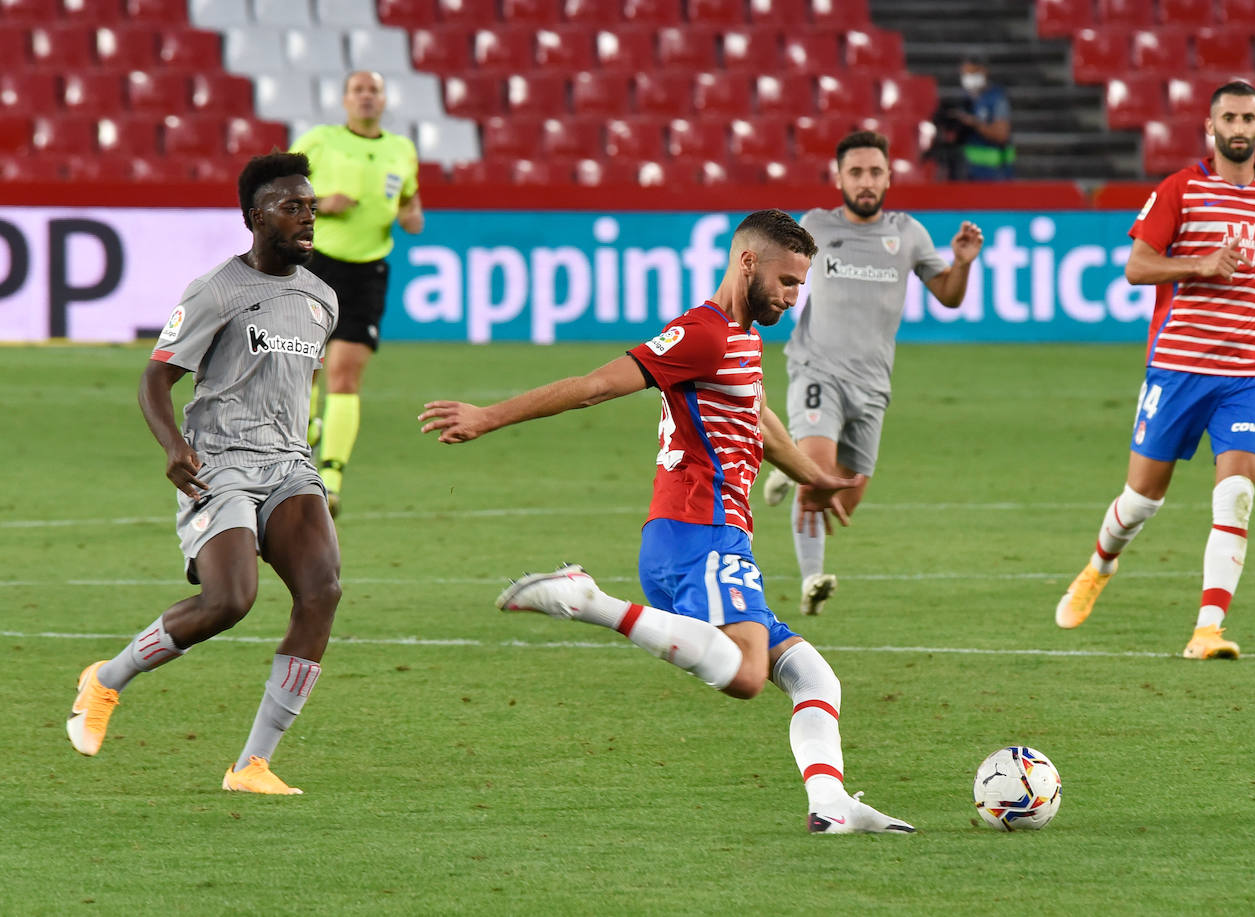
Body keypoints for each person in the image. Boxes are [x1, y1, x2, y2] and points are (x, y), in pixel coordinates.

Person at [419, 210, 914, 834]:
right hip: (695, 532)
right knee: (748, 676)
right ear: (748, 264)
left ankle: (831, 804)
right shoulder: (701, 334)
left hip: (718, 536)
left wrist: (817, 477)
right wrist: (490, 415)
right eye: (787, 282)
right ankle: (588, 600)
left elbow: (758, 421)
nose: (794, 297)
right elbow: (596, 385)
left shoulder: (745, 338)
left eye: (801, 285)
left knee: (813, 675)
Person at [66, 152, 343, 794]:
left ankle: (252, 765)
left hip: (290, 465)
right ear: (254, 218)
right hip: (220, 464)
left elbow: (297, 380)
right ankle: (107, 680)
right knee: (229, 601)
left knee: (321, 591)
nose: (307, 218)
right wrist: (172, 447)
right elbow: (155, 376)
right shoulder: (217, 290)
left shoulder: (322, 299)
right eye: (291, 207)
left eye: (310, 206)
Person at [1054, 80, 1255, 659]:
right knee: (1140, 501)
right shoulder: (1180, 190)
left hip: (1252, 370)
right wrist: (1201, 264)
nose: (1237, 126)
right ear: (1210, 127)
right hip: (1179, 366)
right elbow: (1136, 266)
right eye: (1227, 116)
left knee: (1236, 496)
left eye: (1247, 117)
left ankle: (1207, 629)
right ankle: (1099, 566)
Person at [761, 130, 984, 615]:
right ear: (838, 177)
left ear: (889, 177)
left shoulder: (908, 234)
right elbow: (783, 277)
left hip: (873, 384)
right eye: (856, 172)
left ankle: (785, 463)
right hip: (817, 368)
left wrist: (962, 264)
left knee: (847, 494)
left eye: (875, 172)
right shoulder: (814, 225)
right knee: (819, 478)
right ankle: (812, 578)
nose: (866, 181)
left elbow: (948, 294)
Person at [290, 69, 424, 516]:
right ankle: (303, 431)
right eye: (358, 90)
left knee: (344, 373)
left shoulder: (401, 149)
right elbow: (278, 190)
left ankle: (330, 478)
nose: (366, 97)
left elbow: (408, 201)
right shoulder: (320, 141)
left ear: (384, 100)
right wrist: (320, 202)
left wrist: (411, 216)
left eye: (374, 90)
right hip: (316, 263)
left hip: (368, 271)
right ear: (345, 99)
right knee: (305, 362)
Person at [948, 54, 1013, 181]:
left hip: (995, 174)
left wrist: (975, 124)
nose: (967, 78)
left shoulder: (996, 99)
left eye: (971, 73)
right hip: (969, 174)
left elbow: (1001, 135)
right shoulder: (966, 100)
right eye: (964, 74)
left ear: (983, 71)